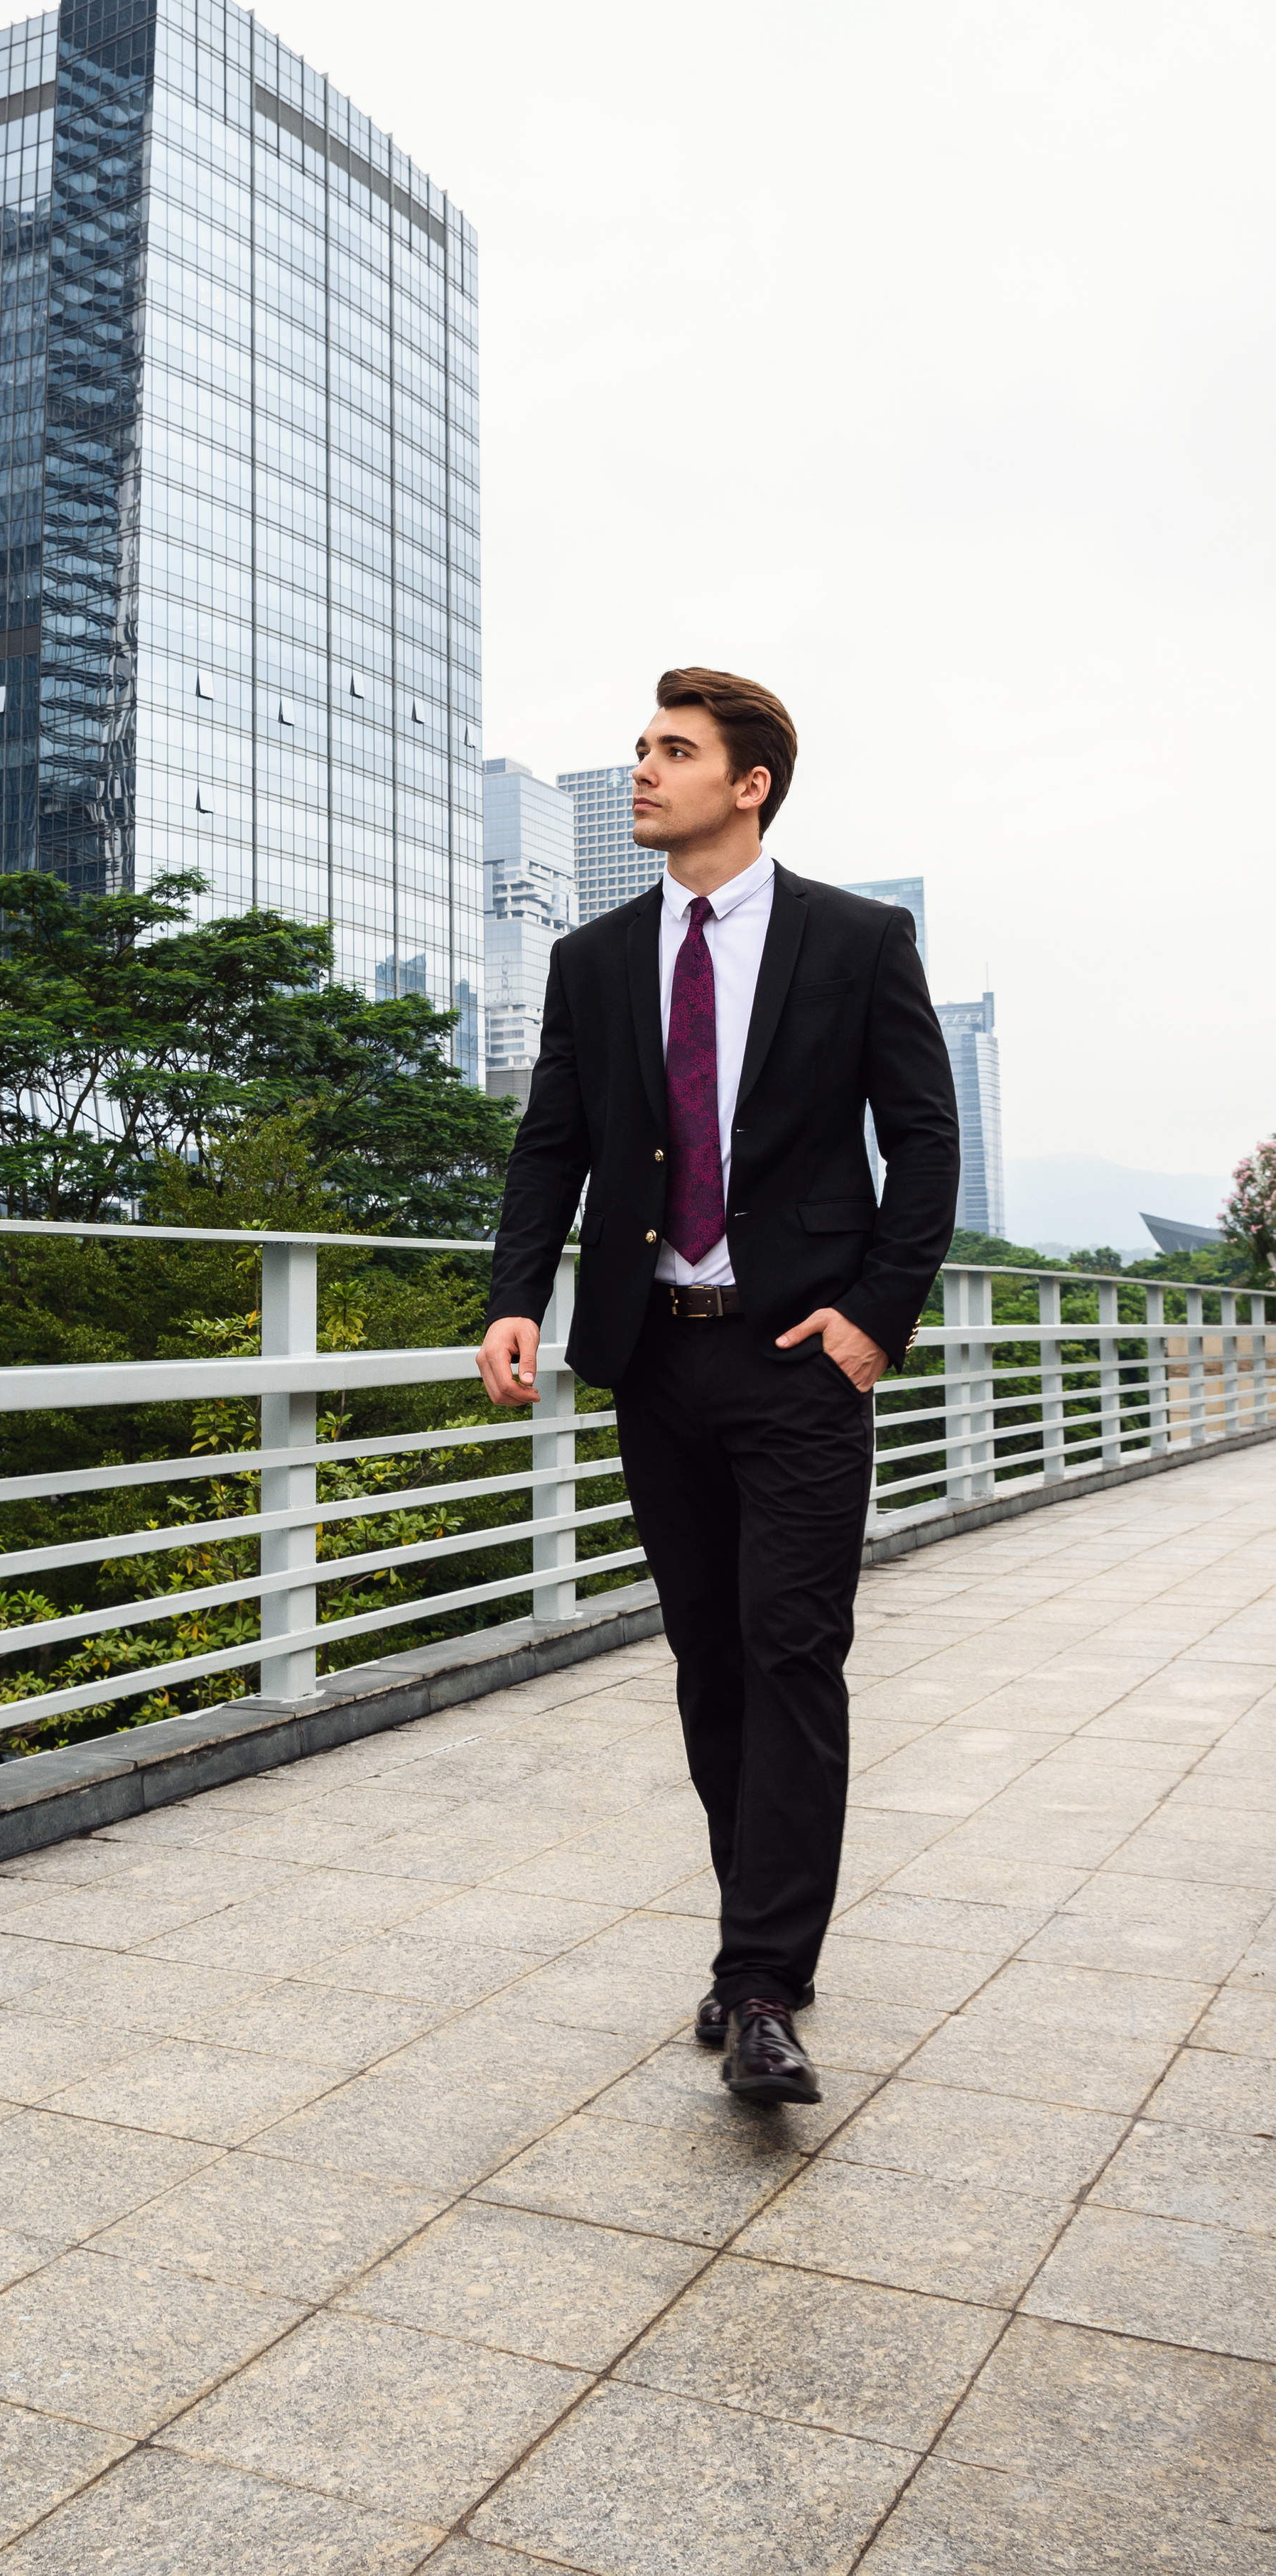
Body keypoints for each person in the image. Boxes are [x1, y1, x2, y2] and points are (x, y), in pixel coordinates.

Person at [477, 668, 959, 2105]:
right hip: (653, 1352)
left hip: (796, 1354)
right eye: (638, 748)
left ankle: (757, 1982)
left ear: (745, 784)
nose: (640, 770)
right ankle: (758, 1948)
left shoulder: (855, 941)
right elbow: (548, 1145)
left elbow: (920, 1145)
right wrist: (515, 1296)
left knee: (790, 1651)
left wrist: (875, 1317)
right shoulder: (598, 958)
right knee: (708, 1662)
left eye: (670, 752)